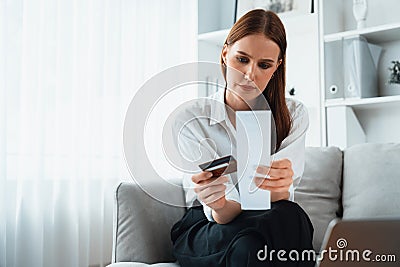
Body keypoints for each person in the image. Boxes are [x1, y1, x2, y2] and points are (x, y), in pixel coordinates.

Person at [170, 9, 314, 267]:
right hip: (210, 223)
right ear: (225, 53)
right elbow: (222, 214)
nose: (250, 75)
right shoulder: (191, 119)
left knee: (290, 217)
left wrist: (276, 189)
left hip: (270, 217)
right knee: (254, 242)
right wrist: (222, 203)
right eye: (242, 59)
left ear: (277, 66)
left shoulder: (294, 114)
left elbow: (279, 196)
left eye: (264, 65)